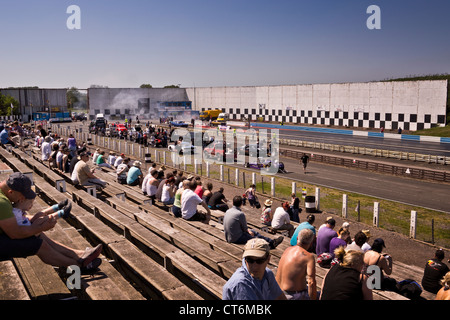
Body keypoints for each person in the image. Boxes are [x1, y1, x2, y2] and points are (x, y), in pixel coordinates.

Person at [0, 173, 102, 273]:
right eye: (22, 196)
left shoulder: (4, 197)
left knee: (37, 234)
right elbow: (16, 234)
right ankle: (80, 266)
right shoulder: (2, 203)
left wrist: (41, 222)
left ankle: (78, 255)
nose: (22, 199)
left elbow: (13, 221)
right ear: (10, 192)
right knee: (38, 245)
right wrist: (41, 227)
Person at [276, 229, 317, 300]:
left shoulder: (287, 250)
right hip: (292, 295)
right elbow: (311, 282)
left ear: (297, 238)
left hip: (278, 292)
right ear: (311, 243)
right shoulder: (309, 257)